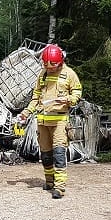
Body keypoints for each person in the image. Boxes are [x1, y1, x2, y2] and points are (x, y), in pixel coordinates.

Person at [17, 43, 82, 199]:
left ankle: (59, 187)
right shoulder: (43, 74)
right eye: (46, 65)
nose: (50, 67)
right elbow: (35, 97)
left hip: (60, 121)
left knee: (59, 153)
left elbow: (77, 93)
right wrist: (25, 113)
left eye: (53, 65)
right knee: (46, 155)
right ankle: (49, 181)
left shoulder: (69, 74)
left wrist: (68, 100)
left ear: (60, 61)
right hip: (43, 122)